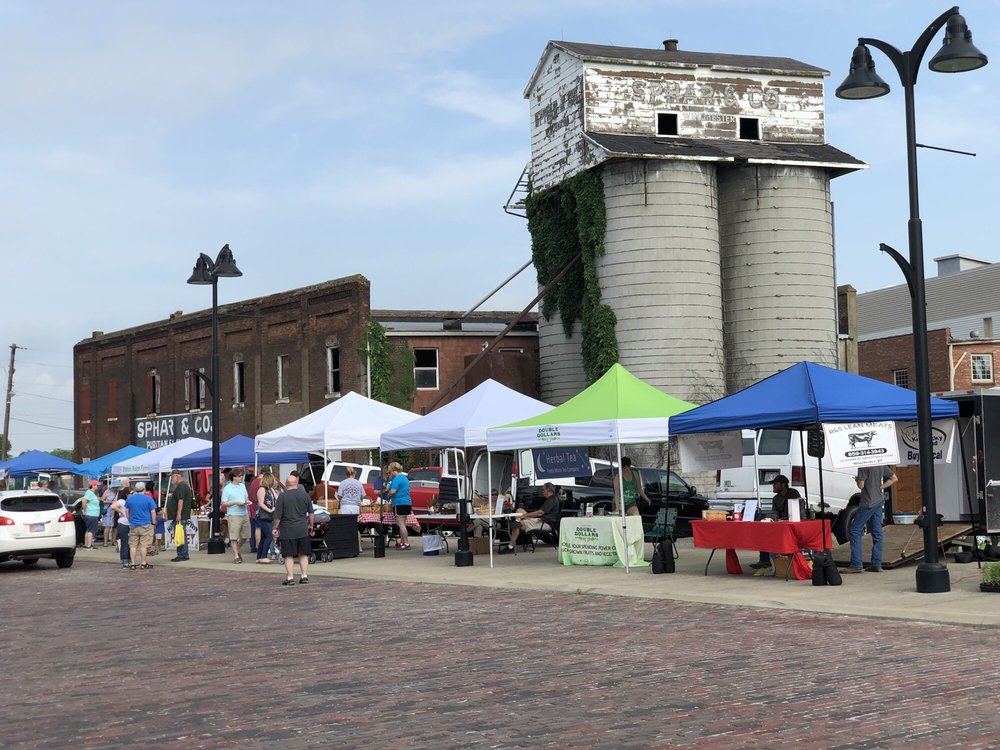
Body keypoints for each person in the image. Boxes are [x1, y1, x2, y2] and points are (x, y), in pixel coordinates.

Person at [844, 465, 897, 574]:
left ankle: (856, 564)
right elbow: (894, 478)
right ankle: (876, 564)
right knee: (877, 533)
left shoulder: (863, 465)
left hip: (867, 502)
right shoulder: (880, 463)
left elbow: (861, 485)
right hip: (878, 501)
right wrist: (880, 487)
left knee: (854, 530)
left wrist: (857, 479)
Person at [751, 475, 804, 570]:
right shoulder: (775, 498)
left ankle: (784, 559)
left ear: (783, 485)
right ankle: (764, 560)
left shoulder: (793, 493)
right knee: (764, 533)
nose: (773, 486)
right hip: (781, 524)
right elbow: (774, 513)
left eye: (775, 484)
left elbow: (798, 510)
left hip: (793, 524)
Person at [272, 472, 314, 585]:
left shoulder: (282, 496)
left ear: (286, 484)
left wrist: (275, 528)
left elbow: (277, 516)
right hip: (302, 529)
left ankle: (290, 577)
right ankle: (304, 575)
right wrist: (311, 525)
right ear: (297, 483)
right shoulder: (305, 495)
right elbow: (311, 513)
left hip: (287, 530)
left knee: (288, 555)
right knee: (303, 554)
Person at [503, 482, 561, 553]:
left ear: (548, 489)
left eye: (543, 490)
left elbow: (540, 513)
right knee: (519, 510)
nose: (542, 492)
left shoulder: (551, 500)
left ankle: (510, 546)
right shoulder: (552, 499)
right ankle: (518, 521)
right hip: (541, 520)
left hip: (545, 523)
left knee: (517, 524)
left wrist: (524, 516)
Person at [125, 482, 157, 570]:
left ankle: (133, 563)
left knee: (133, 545)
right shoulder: (148, 499)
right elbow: (153, 512)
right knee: (144, 545)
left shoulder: (130, 499)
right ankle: (143, 563)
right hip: (145, 524)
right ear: (144, 489)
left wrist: (129, 520)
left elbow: (127, 511)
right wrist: (154, 522)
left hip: (134, 525)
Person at [221, 468, 250, 563]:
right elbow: (224, 503)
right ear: (234, 478)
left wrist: (246, 502)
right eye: (239, 476)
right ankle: (236, 556)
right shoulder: (227, 489)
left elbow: (246, 497)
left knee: (245, 535)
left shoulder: (242, 486)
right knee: (233, 536)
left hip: (244, 513)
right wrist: (235, 503)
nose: (241, 477)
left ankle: (236, 549)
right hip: (233, 514)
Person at [335, 466, 365, 553]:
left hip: (345, 506)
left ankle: (345, 546)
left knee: (345, 526)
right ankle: (359, 547)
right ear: (354, 473)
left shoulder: (343, 483)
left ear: (346, 474)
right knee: (355, 527)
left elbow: (340, 495)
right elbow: (363, 495)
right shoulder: (359, 483)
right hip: (355, 506)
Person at [166, 469, 193, 562]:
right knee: (181, 534)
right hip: (181, 515)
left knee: (179, 534)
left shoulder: (181, 486)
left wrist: (178, 513)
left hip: (181, 516)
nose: (172, 479)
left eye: (172, 477)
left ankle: (182, 554)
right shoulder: (182, 486)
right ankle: (183, 554)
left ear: (177, 476)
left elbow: (180, 500)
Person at [386, 461, 412, 550]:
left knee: (400, 524)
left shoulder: (397, 478)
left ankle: (406, 543)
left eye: (390, 471)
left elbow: (393, 491)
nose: (390, 473)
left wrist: (388, 495)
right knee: (403, 523)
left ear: (393, 470)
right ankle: (403, 542)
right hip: (407, 502)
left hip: (399, 502)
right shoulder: (405, 478)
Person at [255, 472, 278, 564]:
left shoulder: (270, 489)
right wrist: (269, 510)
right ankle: (263, 556)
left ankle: (259, 556)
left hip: (270, 516)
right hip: (263, 516)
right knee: (269, 535)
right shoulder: (262, 489)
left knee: (264, 537)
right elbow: (261, 503)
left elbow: (277, 498)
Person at [80, 480, 102, 550]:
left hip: (92, 514)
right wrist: (85, 510)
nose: (98, 486)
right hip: (91, 514)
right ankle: (88, 545)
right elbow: (84, 500)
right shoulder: (89, 492)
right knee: (91, 530)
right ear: (93, 485)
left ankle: (87, 544)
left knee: (88, 529)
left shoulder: (92, 493)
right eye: (96, 485)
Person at [100, 480, 117, 547]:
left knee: (115, 527)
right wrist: (109, 502)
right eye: (115, 487)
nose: (116, 488)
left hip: (115, 511)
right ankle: (105, 542)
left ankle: (113, 541)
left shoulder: (117, 492)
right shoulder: (107, 491)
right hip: (108, 511)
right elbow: (102, 500)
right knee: (107, 526)